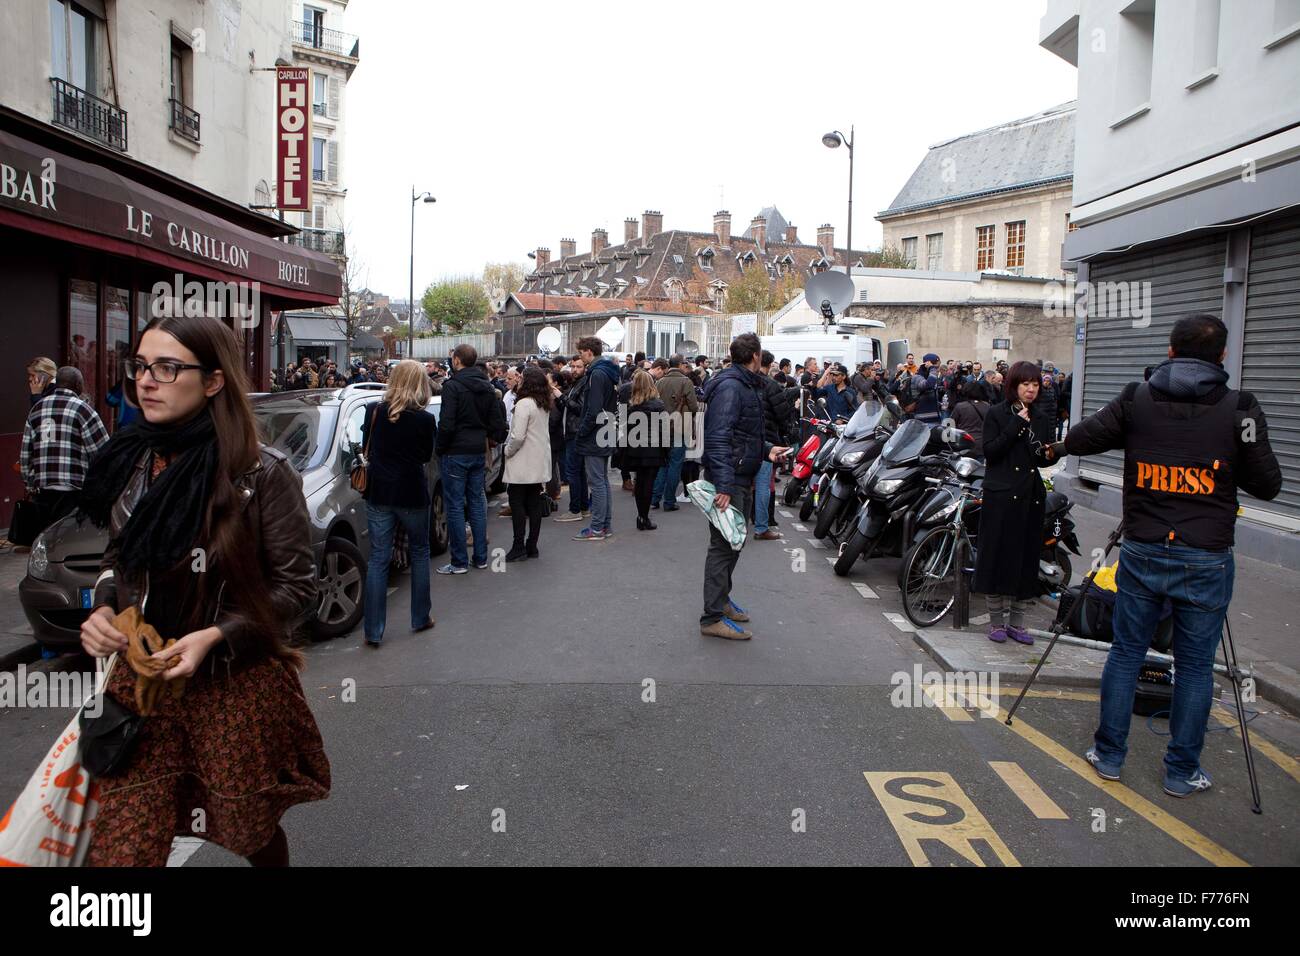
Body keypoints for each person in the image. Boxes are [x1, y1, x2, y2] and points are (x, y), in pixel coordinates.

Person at [76, 312, 328, 866]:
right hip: (143, 686)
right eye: (141, 366)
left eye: (168, 368)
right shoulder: (133, 460)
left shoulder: (261, 474)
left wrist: (216, 635)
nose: (146, 380)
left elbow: (297, 588)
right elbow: (119, 559)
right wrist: (102, 609)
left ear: (213, 381)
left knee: (249, 828)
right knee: (124, 845)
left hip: (230, 688)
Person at [1062, 313, 1282, 798]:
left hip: (1144, 549)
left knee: (1126, 653)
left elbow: (1079, 439)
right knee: (1195, 666)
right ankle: (1181, 772)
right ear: (1222, 356)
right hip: (1205, 556)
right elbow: (1268, 483)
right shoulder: (1240, 409)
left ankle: (1109, 756)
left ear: (1169, 351)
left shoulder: (1137, 399)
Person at [698, 332, 789, 640]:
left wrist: (766, 450)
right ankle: (711, 616)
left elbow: (743, 435)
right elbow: (719, 437)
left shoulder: (743, 385)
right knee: (723, 548)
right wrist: (724, 485)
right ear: (754, 357)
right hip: (731, 480)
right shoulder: (732, 388)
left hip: (739, 476)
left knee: (733, 543)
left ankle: (721, 602)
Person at [971, 361, 1055, 645]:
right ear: (1013, 386)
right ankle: (996, 622)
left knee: (1025, 560)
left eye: (1035, 385)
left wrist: (1052, 454)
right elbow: (991, 452)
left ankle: (1017, 624)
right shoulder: (996, 413)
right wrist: (1017, 424)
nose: (1031, 390)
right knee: (996, 557)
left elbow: (1042, 458)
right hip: (1001, 496)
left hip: (1030, 497)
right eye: (1025, 384)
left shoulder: (1042, 418)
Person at [359, 360, 435, 646]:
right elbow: (426, 456)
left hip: (379, 492)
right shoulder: (424, 419)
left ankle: (373, 631)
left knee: (378, 558)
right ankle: (420, 617)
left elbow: (366, 445)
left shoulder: (374, 411)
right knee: (419, 552)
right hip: (411, 492)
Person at [435, 343, 506, 574]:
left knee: (455, 506)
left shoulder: (452, 386)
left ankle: (458, 562)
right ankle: (481, 558)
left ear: (456, 360)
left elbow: (446, 424)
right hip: (478, 450)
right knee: (477, 502)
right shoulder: (487, 387)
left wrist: (440, 448)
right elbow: (497, 423)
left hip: (456, 451)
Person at [21, 365, 110, 533]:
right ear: (78, 385)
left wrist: (29, 482)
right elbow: (102, 453)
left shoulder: (37, 409)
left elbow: (26, 452)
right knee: (68, 539)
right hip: (73, 489)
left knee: (45, 539)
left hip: (43, 489)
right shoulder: (83, 410)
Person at [502, 367, 553, 560]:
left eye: (522, 378)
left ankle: (518, 546)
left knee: (517, 503)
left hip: (522, 460)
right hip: (538, 459)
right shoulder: (543, 403)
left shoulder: (524, 404)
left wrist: (507, 450)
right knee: (533, 502)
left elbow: (517, 436)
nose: (519, 380)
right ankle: (532, 546)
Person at [573, 336, 620, 541]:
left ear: (589, 352)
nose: (580, 356)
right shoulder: (606, 372)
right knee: (602, 481)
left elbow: (593, 410)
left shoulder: (596, 373)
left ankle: (598, 527)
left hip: (596, 434)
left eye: (582, 352)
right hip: (606, 430)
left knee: (597, 482)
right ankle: (604, 525)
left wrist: (582, 431)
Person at [754, 350, 797, 540]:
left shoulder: (741, 382)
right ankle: (762, 527)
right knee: (764, 484)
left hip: (743, 439)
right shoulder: (770, 386)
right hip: (766, 439)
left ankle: (737, 523)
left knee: (744, 484)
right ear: (770, 364)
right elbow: (783, 415)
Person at [619, 369, 668, 530]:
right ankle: (644, 518)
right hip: (653, 450)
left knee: (640, 483)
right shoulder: (658, 405)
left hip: (635, 448)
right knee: (648, 484)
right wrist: (666, 451)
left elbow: (625, 428)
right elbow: (664, 430)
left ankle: (641, 516)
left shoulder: (632, 405)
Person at [652, 353, 698, 512]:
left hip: (662, 426)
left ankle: (655, 498)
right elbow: (694, 407)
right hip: (680, 427)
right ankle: (669, 501)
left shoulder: (660, 381)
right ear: (680, 365)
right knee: (675, 464)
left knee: (662, 464)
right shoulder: (686, 382)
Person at [555, 356, 591, 523]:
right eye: (573, 366)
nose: (575, 369)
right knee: (578, 471)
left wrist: (560, 396)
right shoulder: (575, 384)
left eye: (578, 366)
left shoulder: (584, 383)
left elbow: (580, 409)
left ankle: (575, 509)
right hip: (572, 431)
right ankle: (583, 507)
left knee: (573, 472)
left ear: (585, 367)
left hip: (575, 432)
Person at [950, 379, 992, 459]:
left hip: (964, 445)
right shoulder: (987, 406)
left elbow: (951, 426)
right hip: (982, 446)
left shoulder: (960, 407)